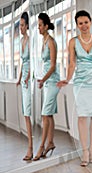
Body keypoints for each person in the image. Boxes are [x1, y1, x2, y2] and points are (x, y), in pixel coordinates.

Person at [57, 10, 92, 167]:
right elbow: (72, 64)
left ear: (90, 22)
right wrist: (67, 79)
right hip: (81, 83)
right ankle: (84, 151)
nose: (83, 25)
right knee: (82, 116)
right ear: (77, 25)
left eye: (86, 22)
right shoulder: (73, 42)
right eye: (80, 23)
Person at [33, 13, 60, 161]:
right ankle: (50, 142)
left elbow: (53, 65)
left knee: (44, 115)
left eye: (40, 25)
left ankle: (42, 147)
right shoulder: (43, 41)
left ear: (46, 26)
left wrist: (42, 80)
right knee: (48, 114)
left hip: (53, 82)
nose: (38, 27)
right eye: (38, 25)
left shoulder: (51, 42)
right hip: (47, 82)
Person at [16, 12, 33, 161]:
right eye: (19, 25)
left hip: (30, 81)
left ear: (27, 26)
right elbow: (23, 62)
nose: (20, 28)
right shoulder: (21, 41)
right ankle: (30, 146)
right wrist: (20, 78)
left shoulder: (30, 41)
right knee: (25, 113)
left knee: (28, 113)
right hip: (24, 82)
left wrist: (28, 77)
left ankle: (31, 148)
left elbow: (33, 61)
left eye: (22, 25)